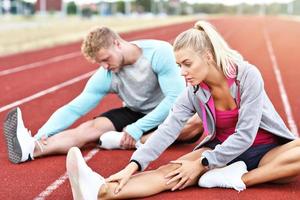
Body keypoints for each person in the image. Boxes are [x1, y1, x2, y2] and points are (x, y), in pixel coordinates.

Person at [65, 20, 300, 200]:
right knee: (172, 173)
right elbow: (168, 130)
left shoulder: (246, 75)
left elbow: (246, 135)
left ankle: (238, 178)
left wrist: (204, 163)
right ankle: (99, 190)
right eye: (179, 65)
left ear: (208, 57)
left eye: (187, 64)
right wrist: (131, 166)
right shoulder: (193, 92)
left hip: (268, 152)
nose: (182, 72)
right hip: (218, 151)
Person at [3, 26, 203, 164]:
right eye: (100, 63)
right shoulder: (107, 74)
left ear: (117, 44)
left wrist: (138, 129)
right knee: (89, 128)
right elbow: (75, 107)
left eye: (106, 59)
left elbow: (174, 100)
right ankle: (31, 149)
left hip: (170, 113)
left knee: (196, 122)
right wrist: (44, 132)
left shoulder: (159, 52)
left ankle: (125, 141)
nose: (105, 66)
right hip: (135, 111)